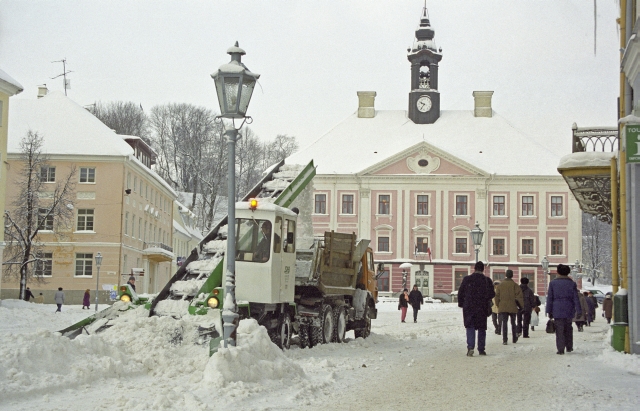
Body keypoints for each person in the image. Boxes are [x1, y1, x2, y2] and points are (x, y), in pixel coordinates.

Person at [458, 261, 495, 357]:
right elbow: (492, 294)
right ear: (483, 269)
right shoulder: (487, 280)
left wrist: (461, 303)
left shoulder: (467, 279)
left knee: (470, 326)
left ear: (474, 268)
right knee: (482, 328)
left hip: (469, 307)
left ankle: (470, 347)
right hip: (482, 307)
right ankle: (481, 349)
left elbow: (461, 292)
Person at [546, 264, 581, 355]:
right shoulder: (572, 283)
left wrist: (549, 310)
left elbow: (550, 298)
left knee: (559, 329)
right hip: (569, 308)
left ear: (558, 272)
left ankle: (560, 349)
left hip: (557, 308)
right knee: (568, 328)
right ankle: (569, 346)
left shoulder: (553, 283)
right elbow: (575, 298)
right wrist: (579, 310)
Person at [495, 269, 523, 345]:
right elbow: (519, 296)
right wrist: (521, 306)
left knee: (504, 323)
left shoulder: (500, 285)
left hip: (503, 306)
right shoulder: (515, 285)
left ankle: (505, 340)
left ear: (506, 275)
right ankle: (514, 338)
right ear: (512, 275)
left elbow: (497, 297)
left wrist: (498, 305)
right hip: (513, 306)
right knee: (513, 323)